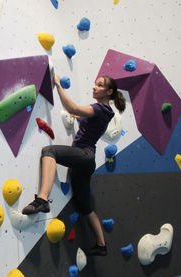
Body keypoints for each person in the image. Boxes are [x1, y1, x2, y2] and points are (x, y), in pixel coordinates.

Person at [22, 72, 126, 256]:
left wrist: (58, 85)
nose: (95, 87)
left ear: (109, 92)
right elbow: (80, 116)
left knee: (49, 151)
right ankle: (102, 245)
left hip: (84, 155)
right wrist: (76, 117)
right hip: (85, 161)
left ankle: (42, 200)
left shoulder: (100, 109)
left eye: (100, 85)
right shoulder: (104, 112)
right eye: (96, 84)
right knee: (84, 205)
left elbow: (75, 108)